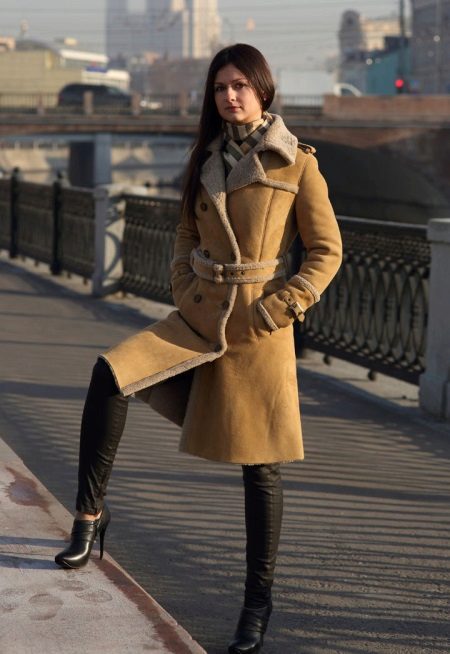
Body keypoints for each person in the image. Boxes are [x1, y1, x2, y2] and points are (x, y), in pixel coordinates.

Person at [55, 43, 342, 654]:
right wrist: (184, 284)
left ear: (263, 90)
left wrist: (282, 307)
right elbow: (186, 232)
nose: (230, 96)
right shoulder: (205, 157)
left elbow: (327, 251)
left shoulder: (298, 163)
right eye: (219, 87)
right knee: (111, 373)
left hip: (257, 328)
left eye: (240, 85)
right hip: (199, 313)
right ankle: (89, 518)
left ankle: (256, 604)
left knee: (260, 469)